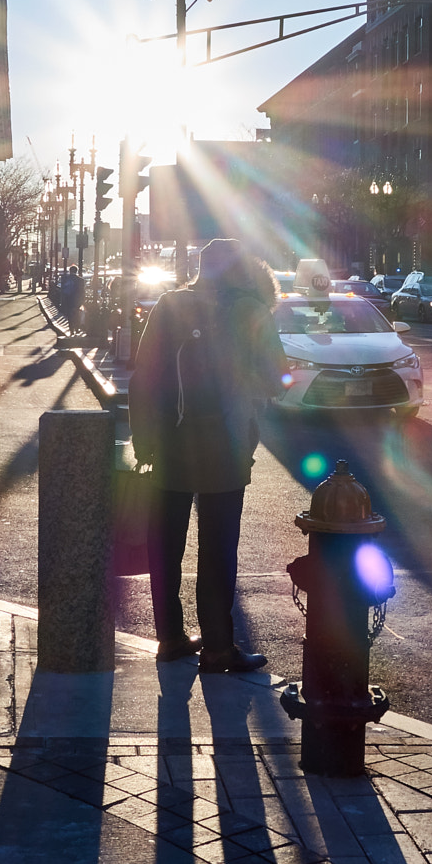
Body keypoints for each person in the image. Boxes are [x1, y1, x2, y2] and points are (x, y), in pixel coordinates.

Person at [129, 237, 287, 673]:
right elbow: (278, 376)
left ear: (200, 267)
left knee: (165, 545)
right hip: (225, 447)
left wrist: (144, 441)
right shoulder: (250, 310)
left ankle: (171, 638)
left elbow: (143, 375)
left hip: (171, 443)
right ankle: (218, 647)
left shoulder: (169, 305)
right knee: (218, 549)